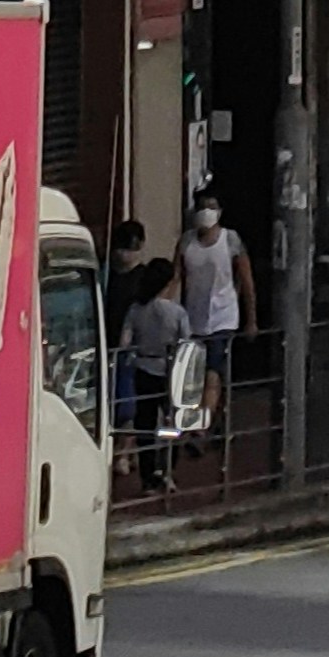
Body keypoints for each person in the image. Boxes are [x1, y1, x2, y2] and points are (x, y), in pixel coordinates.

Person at [171, 186, 246, 466]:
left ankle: (200, 428)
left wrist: (250, 319)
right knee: (195, 376)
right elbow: (176, 276)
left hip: (223, 318)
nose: (206, 211)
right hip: (194, 318)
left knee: (213, 373)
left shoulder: (230, 240)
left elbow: (245, 279)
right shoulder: (187, 243)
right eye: (202, 206)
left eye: (212, 206)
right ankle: (207, 422)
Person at [109, 228, 183, 495]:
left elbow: (125, 341)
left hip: (142, 369)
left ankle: (148, 476)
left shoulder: (136, 310)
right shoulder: (175, 312)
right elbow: (186, 343)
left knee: (144, 424)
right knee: (170, 424)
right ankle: (168, 472)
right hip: (170, 370)